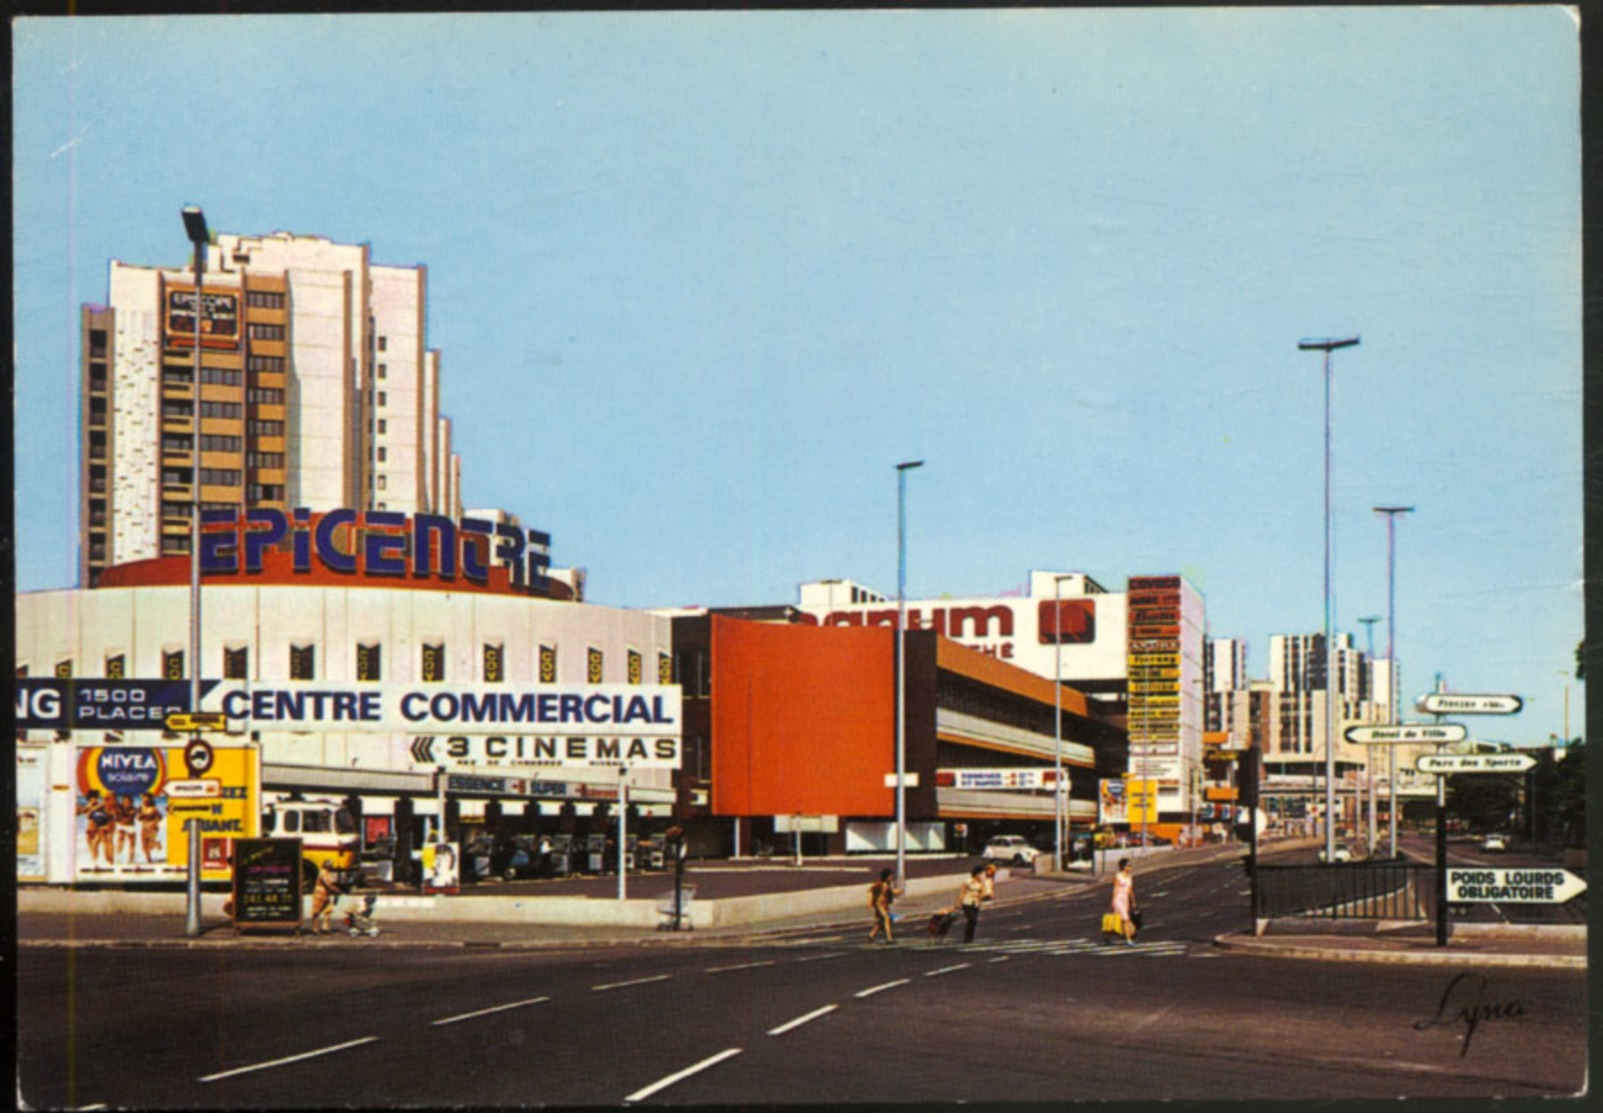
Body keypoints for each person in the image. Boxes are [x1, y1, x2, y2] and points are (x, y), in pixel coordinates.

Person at [867, 868, 900, 944]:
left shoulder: (888, 885)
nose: (892, 878)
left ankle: (871, 935)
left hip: (885, 905)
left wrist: (897, 892)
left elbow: (890, 892)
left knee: (881, 921)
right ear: (886, 877)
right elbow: (870, 890)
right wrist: (869, 901)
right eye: (890, 876)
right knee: (886, 919)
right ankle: (889, 938)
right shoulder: (880, 884)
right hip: (879, 905)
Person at [310, 858, 343, 934]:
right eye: (330, 865)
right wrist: (335, 890)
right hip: (319, 893)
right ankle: (314, 928)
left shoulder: (328, 873)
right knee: (316, 911)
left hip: (326, 894)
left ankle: (325, 927)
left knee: (328, 909)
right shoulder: (322, 872)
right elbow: (327, 884)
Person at [1110, 856, 1138, 945]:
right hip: (1118, 898)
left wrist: (1133, 900)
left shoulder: (1129, 877)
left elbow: (1130, 889)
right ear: (1123, 867)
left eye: (1130, 866)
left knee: (1120, 919)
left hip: (1125, 899)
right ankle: (1129, 940)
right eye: (1128, 866)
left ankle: (1108, 935)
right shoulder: (1118, 876)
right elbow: (1115, 888)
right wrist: (1113, 900)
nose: (1129, 868)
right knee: (1126, 919)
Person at [957, 864, 987, 944]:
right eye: (982, 874)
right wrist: (958, 903)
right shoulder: (968, 881)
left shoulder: (982, 883)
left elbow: (984, 894)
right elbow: (962, 893)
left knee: (974, 921)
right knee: (971, 919)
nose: (983, 875)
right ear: (977, 874)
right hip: (967, 902)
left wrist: (983, 883)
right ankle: (967, 938)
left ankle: (970, 938)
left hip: (976, 903)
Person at [136, 792, 164, 864]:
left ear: (149, 799)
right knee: (144, 846)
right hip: (144, 827)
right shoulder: (141, 807)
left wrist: (155, 822)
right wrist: (142, 816)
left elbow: (160, 817)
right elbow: (138, 818)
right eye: (143, 798)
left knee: (150, 843)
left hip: (152, 827)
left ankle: (156, 845)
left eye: (146, 798)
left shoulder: (153, 808)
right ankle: (149, 860)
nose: (144, 799)